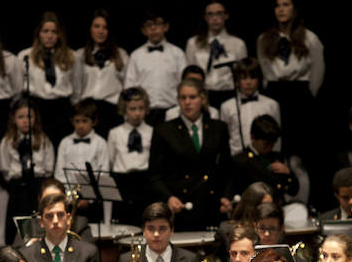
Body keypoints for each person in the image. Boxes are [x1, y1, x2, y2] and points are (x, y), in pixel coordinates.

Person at [148, 77, 232, 230]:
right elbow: (154, 175)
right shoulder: (164, 131)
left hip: (211, 206)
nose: (187, 102)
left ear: (203, 99)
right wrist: (169, 197)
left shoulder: (218, 128)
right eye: (183, 98)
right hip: (180, 207)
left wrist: (226, 196)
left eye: (192, 97)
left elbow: (227, 169)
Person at [256, 0, 324, 156]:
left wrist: (309, 93)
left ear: (294, 9)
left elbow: (318, 68)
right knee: (277, 146)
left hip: (299, 94)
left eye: (286, 5)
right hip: (275, 92)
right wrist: (269, 88)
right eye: (277, 5)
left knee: (299, 151)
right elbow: (264, 68)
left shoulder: (309, 38)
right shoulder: (264, 39)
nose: (281, 9)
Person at [18, 12, 81, 145]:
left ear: (59, 34)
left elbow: (77, 88)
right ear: (38, 33)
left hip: (61, 108)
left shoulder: (70, 56)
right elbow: (19, 87)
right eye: (45, 31)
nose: (49, 36)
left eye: (54, 32)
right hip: (36, 108)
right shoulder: (25, 56)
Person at [0, 98, 55, 245]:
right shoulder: (7, 141)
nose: (25, 121)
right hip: (17, 188)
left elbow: (49, 167)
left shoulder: (43, 140)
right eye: (20, 117)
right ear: (14, 119)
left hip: (37, 186)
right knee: (15, 227)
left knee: (37, 225)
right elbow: (4, 167)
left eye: (29, 117)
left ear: (35, 118)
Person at [124, 10, 186, 126]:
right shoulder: (136, 56)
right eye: (149, 25)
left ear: (166, 27)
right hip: (144, 114)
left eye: (157, 23)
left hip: (172, 111)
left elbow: (183, 85)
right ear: (143, 30)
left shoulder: (178, 54)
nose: (153, 28)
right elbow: (130, 88)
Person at [186, 0, 248, 109]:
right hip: (203, 95)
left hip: (229, 94)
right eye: (210, 14)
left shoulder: (238, 44)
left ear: (226, 15)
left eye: (219, 13)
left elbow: (242, 75)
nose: (215, 18)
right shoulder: (193, 43)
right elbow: (189, 75)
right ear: (205, 17)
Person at [76, 9, 128, 136]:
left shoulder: (121, 55)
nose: (101, 31)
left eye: (105, 27)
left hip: (111, 111)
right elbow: (75, 87)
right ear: (90, 29)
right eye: (97, 26)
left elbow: (127, 85)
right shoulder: (80, 55)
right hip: (87, 112)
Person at [108, 87, 152, 222]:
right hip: (122, 182)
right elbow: (110, 159)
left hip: (144, 181)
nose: (137, 113)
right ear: (124, 110)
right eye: (132, 109)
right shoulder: (115, 133)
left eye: (141, 108)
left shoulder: (152, 132)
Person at [219, 58, 280, 156]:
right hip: (237, 159)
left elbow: (277, 138)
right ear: (237, 81)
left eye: (253, 77)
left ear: (259, 79)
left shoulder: (271, 105)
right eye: (243, 78)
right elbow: (225, 138)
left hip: (265, 159)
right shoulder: (227, 107)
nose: (248, 82)